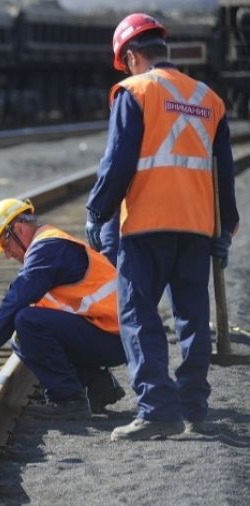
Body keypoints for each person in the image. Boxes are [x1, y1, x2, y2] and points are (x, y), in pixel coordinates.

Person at [85, 13, 239, 440]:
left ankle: (156, 411)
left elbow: (117, 163)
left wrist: (97, 211)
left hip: (146, 225)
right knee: (193, 317)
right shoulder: (209, 98)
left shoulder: (135, 92)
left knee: (137, 315)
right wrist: (225, 229)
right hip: (194, 226)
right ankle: (194, 410)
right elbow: (222, 171)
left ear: (132, 56)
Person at [0, 198, 127, 418]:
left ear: (19, 229)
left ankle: (68, 400)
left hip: (118, 336)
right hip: (114, 333)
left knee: (27, 321)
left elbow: (17, 297)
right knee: (22, 336)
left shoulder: (47, 248)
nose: (7, 255)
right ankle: (98, 385)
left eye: (5, 245)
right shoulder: (49, 245)